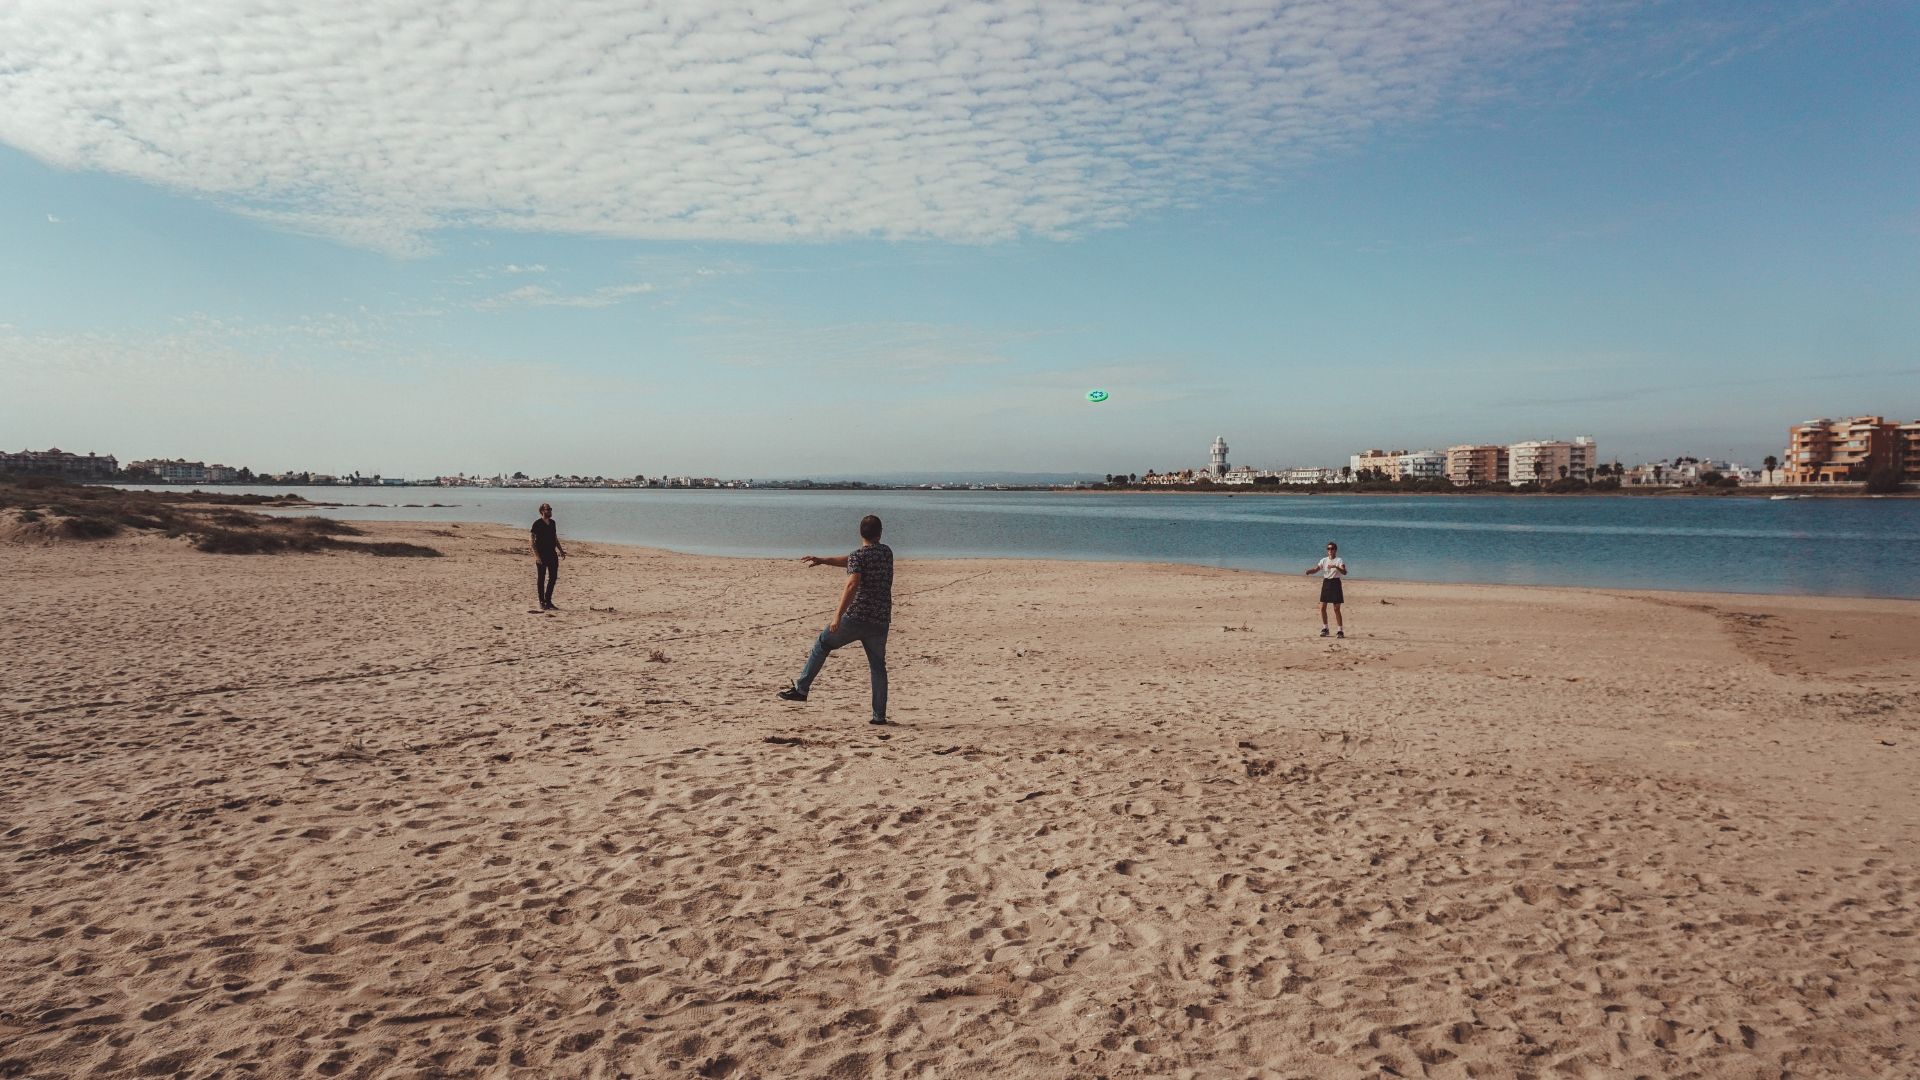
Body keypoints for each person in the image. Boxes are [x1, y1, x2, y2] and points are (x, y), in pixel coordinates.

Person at [778, 514, 893, 725]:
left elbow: (852, 583)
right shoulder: (886, 552)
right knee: (878, 667)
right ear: (880, 533)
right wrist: (823, 560)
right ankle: (879, 716)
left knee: (823, 643)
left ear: (860, 533)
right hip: (881, 620)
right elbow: (851, 561)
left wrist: (837, 616)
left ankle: (801, 690)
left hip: (857, 618)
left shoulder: (860, 556)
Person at [1305, 540, 1347, 637]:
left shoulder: (1339, 560)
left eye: (1332, 549)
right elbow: (1316, 569)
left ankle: (1340, 630)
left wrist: (1336, 567)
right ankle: (1325, 628)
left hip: (1336, 583)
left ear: (1335, 550)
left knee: (1336, 609)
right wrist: (1309, 571)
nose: (1330, 550)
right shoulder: (1323, 560)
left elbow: (1344, 572)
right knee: (1323, 607)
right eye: (1328, 549)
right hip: (1326, 583)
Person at [530, 502, 565, 610]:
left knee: (553, 577)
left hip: (552, 554)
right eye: (547, 509)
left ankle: (548, 600)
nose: (550, 511)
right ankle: (542, 601)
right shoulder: (537, 524)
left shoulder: (553, 523)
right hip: (541, 555)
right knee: (541, 578)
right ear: (542, 511)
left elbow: (555, 538)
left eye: (550, 509)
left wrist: (561, 550)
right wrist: (537, 556)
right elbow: (532, 541)